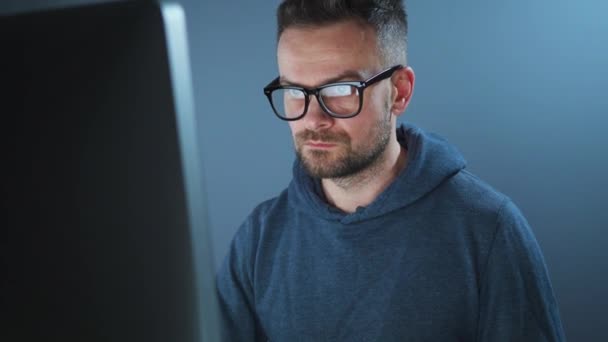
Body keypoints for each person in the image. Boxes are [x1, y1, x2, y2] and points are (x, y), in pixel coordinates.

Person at [216, 0, 566, 341]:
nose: (313, 119)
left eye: (341, 90)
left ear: (399, 92)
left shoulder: (488, 230)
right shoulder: (259, 239)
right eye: (294, 91)